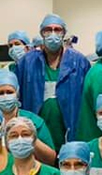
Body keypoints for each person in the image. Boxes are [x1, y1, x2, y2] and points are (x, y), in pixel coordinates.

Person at [15, 13, 91, 150]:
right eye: (48, 30)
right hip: (37, 129)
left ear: (64, 33)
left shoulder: (79, 62)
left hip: (68, 128)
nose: (53, 34)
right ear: (42, 33)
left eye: (57, 30)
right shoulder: (27, 62)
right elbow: (18, 97)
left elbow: (87, 101)